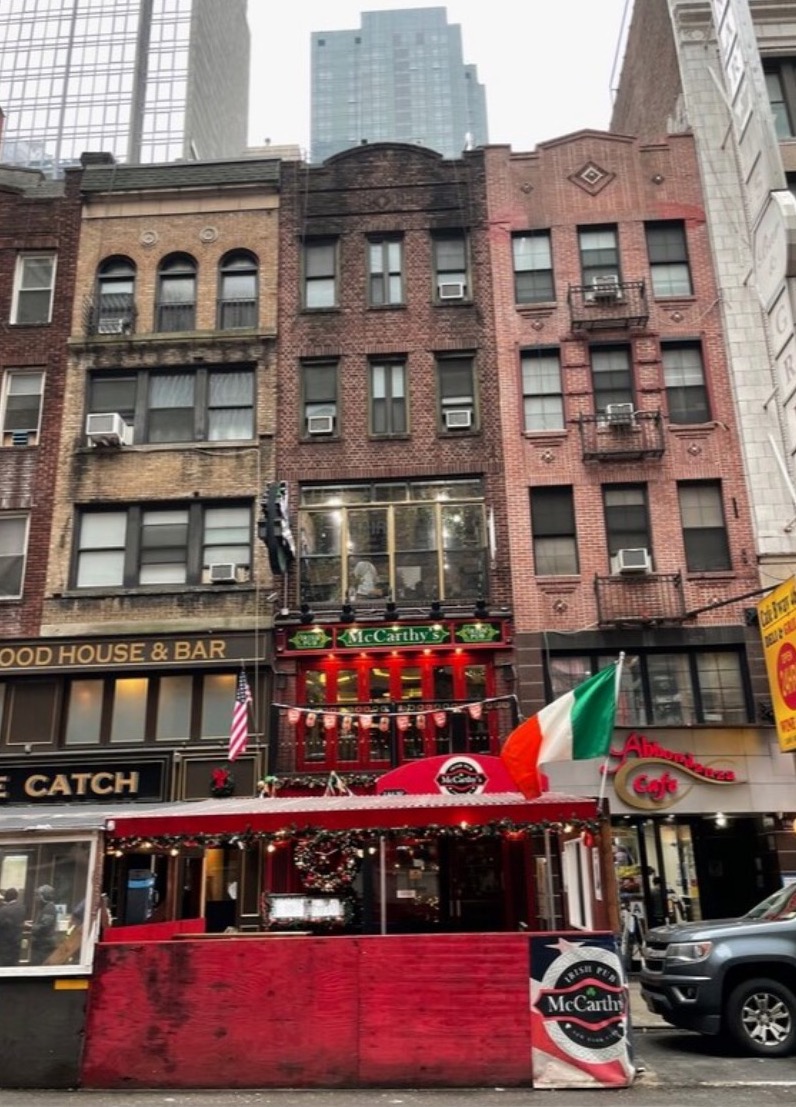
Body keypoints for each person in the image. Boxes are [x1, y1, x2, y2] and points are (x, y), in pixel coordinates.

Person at [27, 884, 58, 965]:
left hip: (43, 946)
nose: (36, 898)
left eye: (38, 895)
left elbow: (44, 926)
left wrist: (31, 927)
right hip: (40, 945)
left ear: (44, 896)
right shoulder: (44, 907)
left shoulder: (49, 908)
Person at [0, 887, 26, 966]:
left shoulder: (4, 910)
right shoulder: (22, 908)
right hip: (17, 942)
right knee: (14, 964)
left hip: (5, 944)